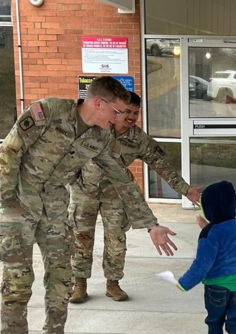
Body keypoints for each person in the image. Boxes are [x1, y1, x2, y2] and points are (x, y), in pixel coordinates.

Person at [0, 76, 179, 334]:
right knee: (17, 281)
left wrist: (151, 224)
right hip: (19, 205)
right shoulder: (48, 112)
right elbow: (10, 150)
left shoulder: (101, 138)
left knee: (62, 278)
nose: (121, 119)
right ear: (98, 103)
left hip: (53, 206)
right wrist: (7, 199)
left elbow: (122, 179)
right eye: (117, 112)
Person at [68, 92, 200, 303]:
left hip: (116, 195)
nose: (131, 117)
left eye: (136, 113)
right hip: (85, 192)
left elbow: (161, 165)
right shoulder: (96, 129)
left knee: (116, 240)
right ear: (116, 110)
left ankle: (113, 284)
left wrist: (185, 189)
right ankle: (79, 284)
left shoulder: (138, 139)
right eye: (126, 111)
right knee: (81, 238)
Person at [176, 181, 236, 334]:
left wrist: (184, 283)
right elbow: (225, 238)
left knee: (215, 321)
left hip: (216, 286)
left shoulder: (208, 234)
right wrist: (208, 227)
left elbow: (202, 265)